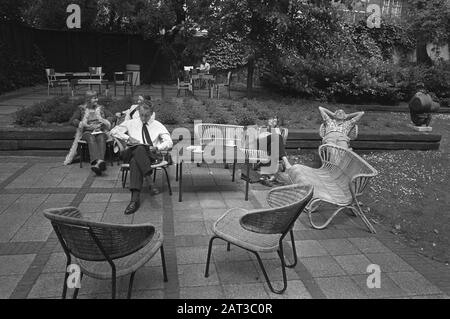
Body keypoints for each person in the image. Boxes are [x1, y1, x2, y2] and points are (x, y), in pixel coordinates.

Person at [110, 103, 173, 215]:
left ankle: (134, 200)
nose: (143, 118)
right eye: (142, 115)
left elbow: (169, 142)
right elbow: (113, 131)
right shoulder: (130, 123)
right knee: (138, 147)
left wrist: (157, 147)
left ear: (152, 114)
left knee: (136, 159)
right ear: (138, 113)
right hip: (131, 152)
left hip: (149, 155)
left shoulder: (157, 125)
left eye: (146, 115)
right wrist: (128, 137)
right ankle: (149, 181)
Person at [65, 91, 114, 175]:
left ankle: (98, 164)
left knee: (102, 137)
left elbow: (111, 116)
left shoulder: (101, 108)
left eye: (96, 97)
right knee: (91, 138)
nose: (97, 99)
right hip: (87, 131)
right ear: (88, 99)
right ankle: (98, 162)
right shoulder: (81, 109)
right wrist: (84, 125)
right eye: (94, 98)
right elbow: (73, 120)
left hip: (100, 130)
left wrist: (103, 123)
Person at [245, 116, 291, 187]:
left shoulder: (276, 129)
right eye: (272, 120)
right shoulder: (262, 127)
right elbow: (257, 137)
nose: (273, 122)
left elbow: (278, 139)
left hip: (269, 146)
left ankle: (269, 176)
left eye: (275, 121)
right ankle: (285, 160)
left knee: (275, 144)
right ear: (267, 120)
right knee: (276, 138)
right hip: (260, 144)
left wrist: (273, 131)